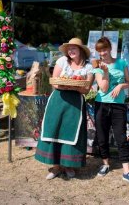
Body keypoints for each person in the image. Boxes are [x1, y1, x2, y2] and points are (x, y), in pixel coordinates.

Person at [35, 37, 93, 179]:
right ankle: (55, 167)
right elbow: (55, 82)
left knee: (70, 132)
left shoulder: (88, 67)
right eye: (69, 48)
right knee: (54, 130)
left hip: (75, 103)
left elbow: (86, 90)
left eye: (74, 48)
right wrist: (66, 85)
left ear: (81, 50)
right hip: (58, 99)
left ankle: (68, 165)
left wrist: (74, 86)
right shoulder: (62, 61)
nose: (71, 51)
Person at [93, 36, 129, 185]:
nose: (103, 53)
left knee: (121, 137)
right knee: (102, 136)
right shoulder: (98, 66)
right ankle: (105, 164)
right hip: (101, 104)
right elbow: (104, 88)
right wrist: (105, 72)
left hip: (118, 105)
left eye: (105, 49)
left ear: (110, 48)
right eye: (100, 51)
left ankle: (126, 171)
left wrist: (120, 86)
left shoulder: (121, 62)